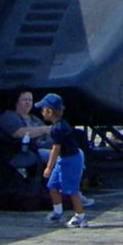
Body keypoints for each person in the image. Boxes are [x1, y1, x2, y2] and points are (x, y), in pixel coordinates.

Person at [37, 92, 89, 228]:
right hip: (63, 159)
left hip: (70, 160)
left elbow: (56, 148)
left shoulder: (57, 129)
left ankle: (80, 216)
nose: (42, 112)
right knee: (52, 186)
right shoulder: (59, 125)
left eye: (43, 110)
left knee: (72, 190)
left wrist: (49, 166)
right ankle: (57, 211)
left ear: (49, 111)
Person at [0, 89, 49, 180]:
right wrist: (46, 129)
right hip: (21, 153)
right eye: (24, 100)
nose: (28, 103)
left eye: (30, 100)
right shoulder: (9, 116)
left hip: (44, 148)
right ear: (16, 101)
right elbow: (20, 133)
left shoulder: (35, 119)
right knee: (58, 158)